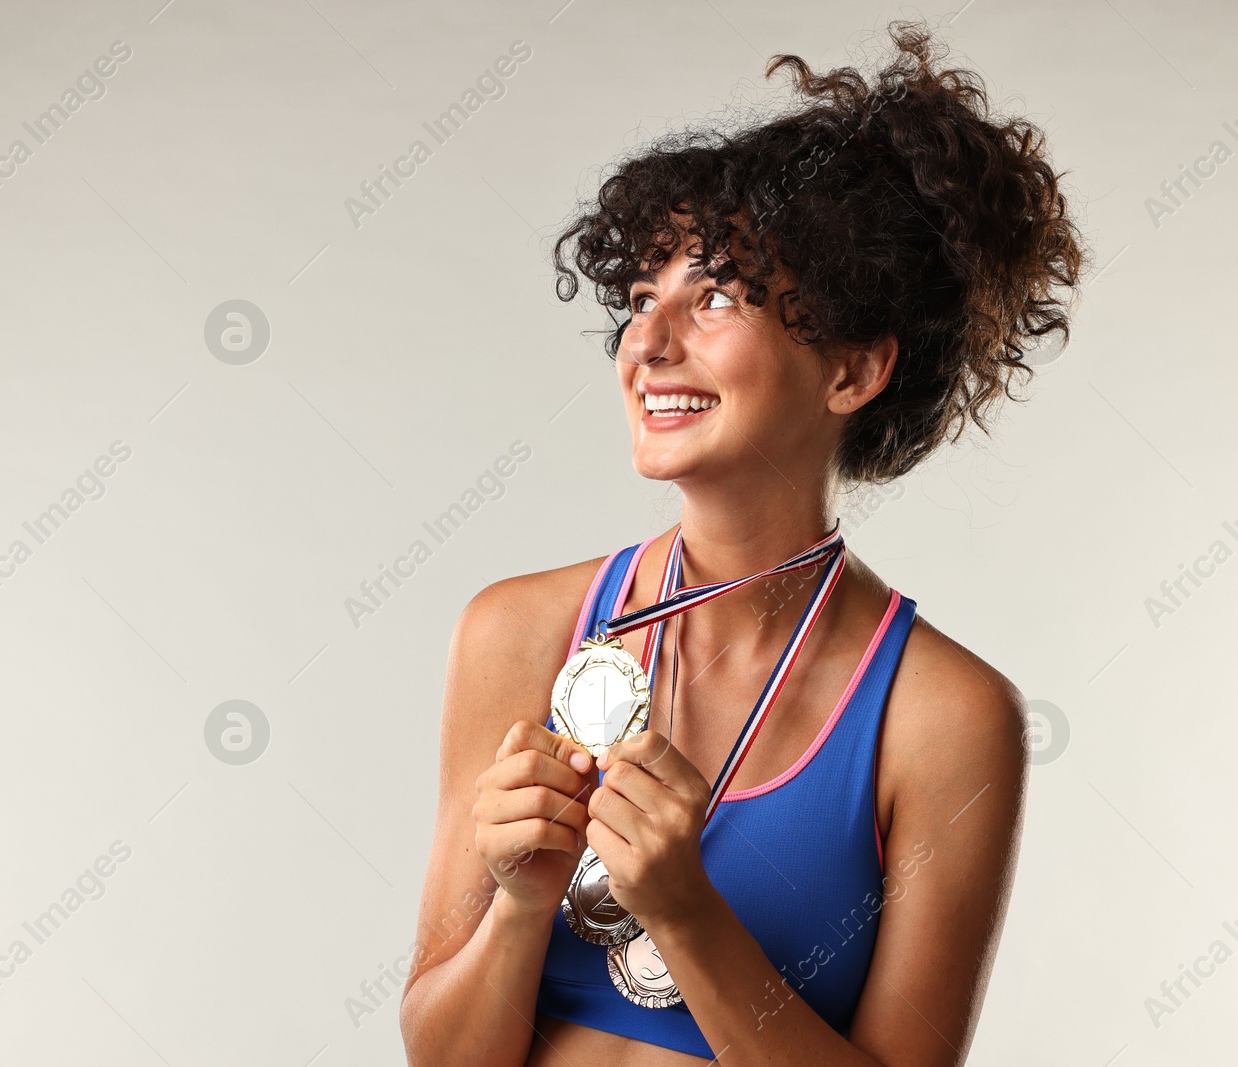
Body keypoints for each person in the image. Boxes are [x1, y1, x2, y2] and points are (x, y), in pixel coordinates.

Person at [400, 21, 1085, 1066]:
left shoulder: (944, 717)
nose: (647, 343)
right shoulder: (518, 632)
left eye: (714, 294)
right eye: (640, 299)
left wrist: (686, 913)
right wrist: (521, 905)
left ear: (851, 370)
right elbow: (440, 1054)